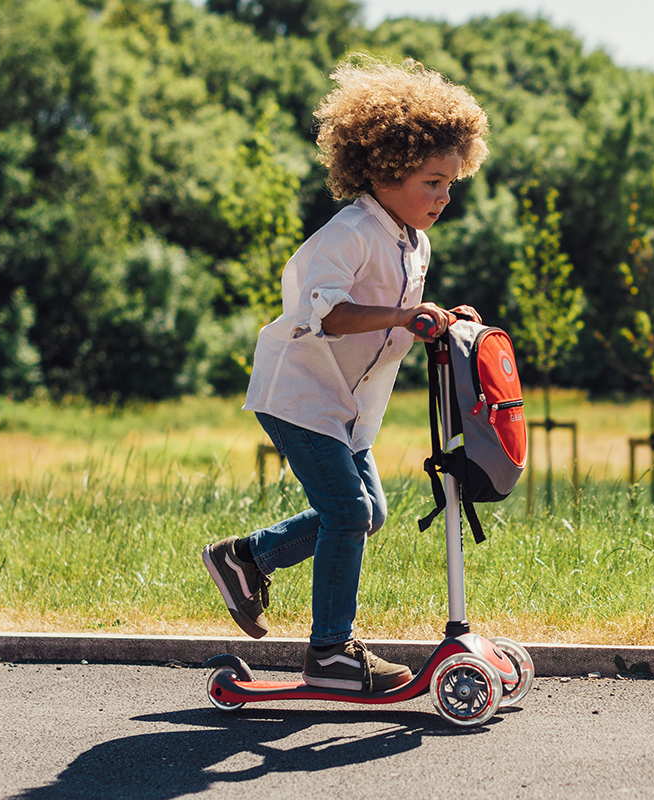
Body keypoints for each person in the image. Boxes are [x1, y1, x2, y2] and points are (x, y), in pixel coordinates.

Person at [202, 55, 489, 692]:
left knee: (367, 513)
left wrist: (441, 321)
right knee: (348, 512)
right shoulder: (352, 231)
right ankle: (331, 651)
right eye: (432, 182)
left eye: (451, 183)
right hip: (299, 393)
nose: (444, 197)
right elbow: (326, 315)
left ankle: (245, 557)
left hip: (347, 406)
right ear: (386, 170)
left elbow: (398, 321)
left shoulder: (413, 239)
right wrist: (408, 313)